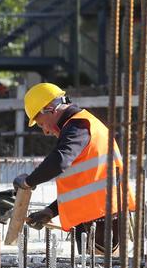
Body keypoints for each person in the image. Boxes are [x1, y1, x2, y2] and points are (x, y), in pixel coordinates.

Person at [12, 82, 134, 253]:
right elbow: (85, 185)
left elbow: (59, 161)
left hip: (102, 224)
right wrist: (51, 211)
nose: (45, 131)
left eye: (41, 124)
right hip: (102, 219)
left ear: (49, 109)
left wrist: (28, 182)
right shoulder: (80, 127)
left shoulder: (78, 126)